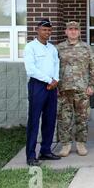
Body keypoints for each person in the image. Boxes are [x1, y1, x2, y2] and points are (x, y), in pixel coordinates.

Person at [57, 21, 94, 157]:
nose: (73, 31)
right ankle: (66, 145)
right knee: (64, 119)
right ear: (66, 31)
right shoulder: (59, 48)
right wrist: (55, 86)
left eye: (76, 29)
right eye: (70, 29)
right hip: (64, 89)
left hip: (82, 89)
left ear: (79, 32)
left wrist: (92, 85)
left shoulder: (86, 48)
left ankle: (81, 144)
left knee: (82, 118)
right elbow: (53, 68)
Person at [23, 19, 60, 166]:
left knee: (50, 119)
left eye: (49, 30)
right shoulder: (30, 47)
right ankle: (31, 155)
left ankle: (45, 150)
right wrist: (48, 80)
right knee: (34, 120)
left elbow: (57, 65)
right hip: (38, 86)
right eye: (44, 30)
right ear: (37, 30)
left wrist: (55, 80)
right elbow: (31, 69)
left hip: (52, 86)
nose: (47, 32)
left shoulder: (52, 48)